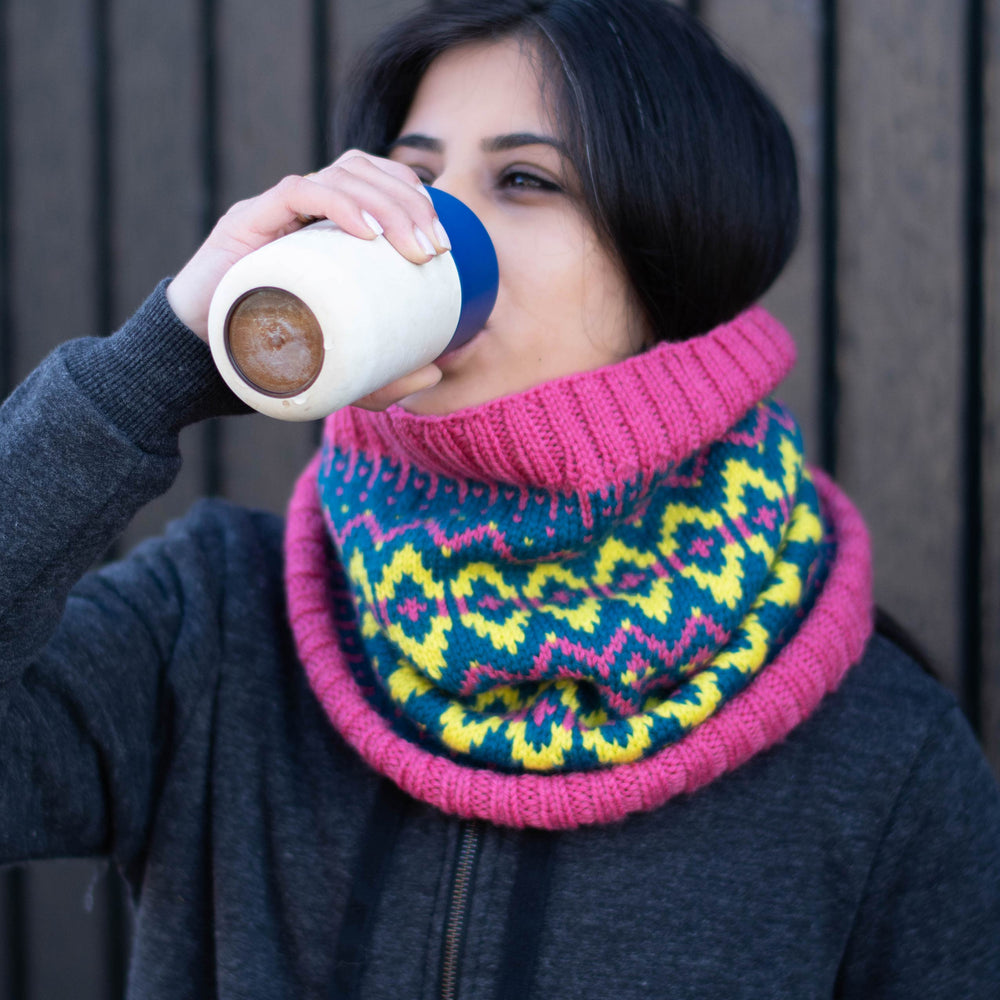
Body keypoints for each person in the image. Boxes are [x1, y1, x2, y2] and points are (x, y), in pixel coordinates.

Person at [2, 0, 999, 996]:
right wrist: (159, 363)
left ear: (671, 256)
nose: (432, 225)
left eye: (523, 179)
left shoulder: (880, 755)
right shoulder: (213, 624)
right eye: (415, 175)